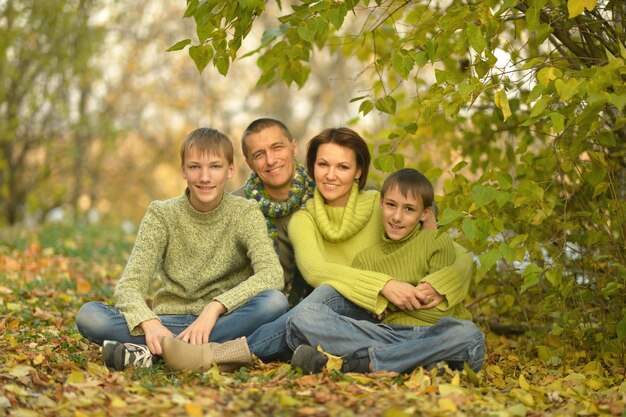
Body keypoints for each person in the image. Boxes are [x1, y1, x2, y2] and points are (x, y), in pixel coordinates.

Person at [161, 127, 475, 371]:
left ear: (358, 172)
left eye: (342, 166)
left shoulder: (385, 206)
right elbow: (317, 271)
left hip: (399, 320)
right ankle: (414, 356)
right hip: (348, 312)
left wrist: (439, 282)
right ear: (312, 168)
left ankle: (368, 359)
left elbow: (455, 254)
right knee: (307, 314)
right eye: (323, 164)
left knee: (467, 336)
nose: (330, 174)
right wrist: (382, 285)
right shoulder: (304, 219)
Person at [75, 127, 288, 371]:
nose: (205, 177)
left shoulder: (245, 213)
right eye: (195, 167)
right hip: (168, 322)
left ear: (230, 170)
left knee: (274, 302)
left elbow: (271, 274)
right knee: (90, 315)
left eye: (215, 167)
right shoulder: (162, 214)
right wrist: (150, 323)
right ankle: (200, 353)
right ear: (183, 170)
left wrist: (214, 308)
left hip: (223, 321)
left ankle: (152, 354)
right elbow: (129, 285)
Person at [287, 168, 486, 374]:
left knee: (469, 336)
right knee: (304, 316)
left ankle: (358, 363)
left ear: (424, 213)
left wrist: (389, 301)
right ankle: (421, 362)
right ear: (380, 203)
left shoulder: (435, 241)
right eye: (391, 205)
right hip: (385, 334)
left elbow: (436, 314)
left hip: (435, 334)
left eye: (409, 209)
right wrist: (388, 296)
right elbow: (368, 315)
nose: (397, 217)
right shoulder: (366, 259)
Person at [232, 118, 315, 304]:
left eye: (277, 148)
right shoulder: (235, 206)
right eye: (259, 154)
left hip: (316, 306)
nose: (270, 160)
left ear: (294, 147)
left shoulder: (322, 193)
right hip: (260, 308)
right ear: (249, 163)